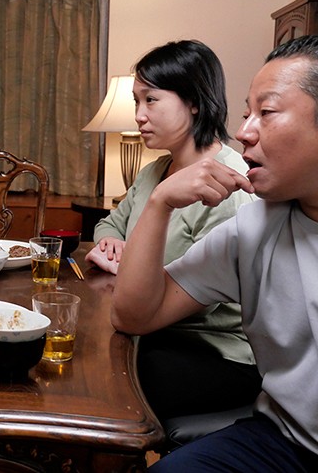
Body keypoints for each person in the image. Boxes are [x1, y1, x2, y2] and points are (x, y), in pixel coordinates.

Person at [112, 34, 318, 471]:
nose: (244, 132)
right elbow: (133, 316)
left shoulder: (235, 197)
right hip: (284, 436)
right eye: (246, 114)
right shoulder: (255, 225)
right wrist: (160, 203)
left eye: (267, 112)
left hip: (223, 362)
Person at [85, 40, 259, 421]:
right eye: (136, 102)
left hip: (212, 351)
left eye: (151, 100)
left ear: (193, 101)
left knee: (101, 380)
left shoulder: (227, 185)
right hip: (151, 331)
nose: (139, 115)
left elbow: (193, 294)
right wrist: (110, 241)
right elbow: (111, 223)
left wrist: (132, 269)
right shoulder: (154, 172)